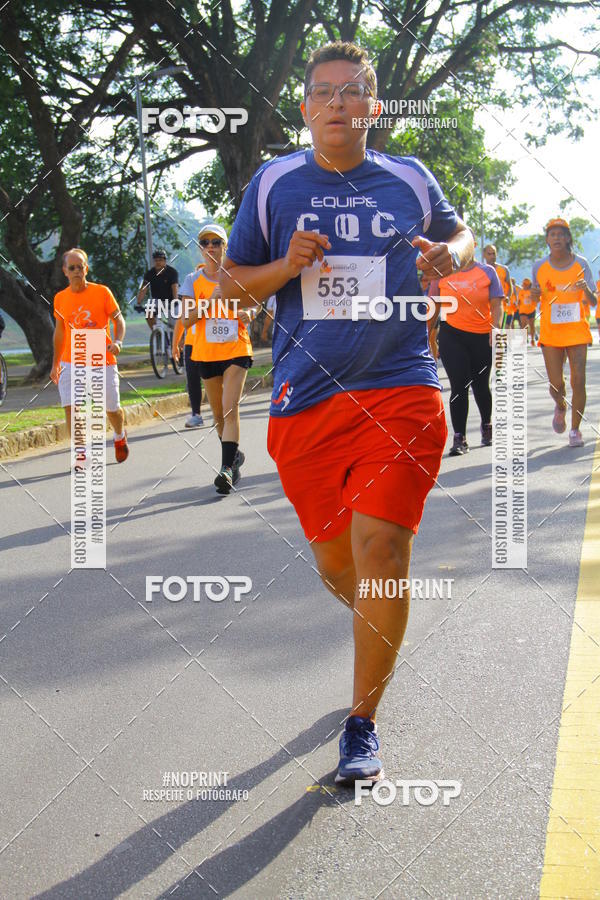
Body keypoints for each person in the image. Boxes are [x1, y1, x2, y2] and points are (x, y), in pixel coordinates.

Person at [219, 41, 473, 784]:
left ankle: (362, 722)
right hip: (308, 401)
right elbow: (232, 291)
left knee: (383, 554)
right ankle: (378, 627)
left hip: (403, 387)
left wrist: (449, 254)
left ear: (374, 106)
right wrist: (286, 266)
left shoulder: (409, 179)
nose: (338, 103)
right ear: (304, 109)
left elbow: (462, 234)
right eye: (324, 92)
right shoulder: (272, 185)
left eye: (353, 91)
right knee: (340, 567)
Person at [183, 224, 251, 493]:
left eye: (216, 242)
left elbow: (253, 302)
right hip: (206, 353)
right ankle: (233, 458)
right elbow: (187, 320)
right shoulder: (193, 281)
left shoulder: (236, 276)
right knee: (218, 416)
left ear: (225, 247)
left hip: (236, 349)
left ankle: (225, 470)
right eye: (205, 243)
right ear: (200, 249)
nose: (210, 247)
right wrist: (209, 301)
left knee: (229, 407)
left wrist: (251, 314)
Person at [50, 248, 129, 462]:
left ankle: (119, 435)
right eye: (72, 267)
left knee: (111, 409)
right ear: (65, 271)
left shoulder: (102, 292)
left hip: (101, 359)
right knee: (72, 408)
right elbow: (60, 332)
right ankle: (80, 453)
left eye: (81, 267)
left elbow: (118, 320)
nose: (77, 271)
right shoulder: (60, 299)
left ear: (87, 268)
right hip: (70, 361)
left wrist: (118, 341)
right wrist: (55, 363)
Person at [531, 218, 597, 447]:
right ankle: (560, 406)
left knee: (579, 380)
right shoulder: (539, 266)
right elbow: (535, 298)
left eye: (561, 234)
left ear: (568, 238)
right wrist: (533, 295)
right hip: (551, 333)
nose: (557, 237)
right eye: (552, 234)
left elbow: (594, 301)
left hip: (577, 331)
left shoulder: (581, 264)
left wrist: (586, 289)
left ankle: (575, 431)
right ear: (547, 240)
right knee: (556, 384)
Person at [431, 260, 503, 455]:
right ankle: (459, 437)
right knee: (459, 384)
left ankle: (486, 423)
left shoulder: (487, 272)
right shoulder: (440, 271)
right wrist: (426, 334)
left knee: (480, 385)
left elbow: (497, 305)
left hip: (481, 337)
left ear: (472, 245)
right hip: (451, 335)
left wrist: (495, 329)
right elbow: (432, 306)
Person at [174, 257, 210, 429]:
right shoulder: (191, 290)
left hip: (212, 342)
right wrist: (175, 344)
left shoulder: (216, 287)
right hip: (192, 343)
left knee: (214, 378)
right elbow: (181, 320)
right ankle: (196, 413)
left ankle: (223, 412)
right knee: (193, 379)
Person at [135, 249, 179, 331]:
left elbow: (174, 287)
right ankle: (156, 333)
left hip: (171, 300)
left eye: (160, 260)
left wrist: (175, 300)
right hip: (157, 301)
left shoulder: (172, 272)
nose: (158, 262)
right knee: (148, 313)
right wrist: (138, 303)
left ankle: (177, 340)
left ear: (165, 261)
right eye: (156, 260)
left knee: (175, 327)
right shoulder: (150, 274)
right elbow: (143, 288)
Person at [482, 244, 512, 326]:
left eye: (494, 253)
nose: (492, 256)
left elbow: (510, 286)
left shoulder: (504, 269)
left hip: (500, 307)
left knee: (498, 332)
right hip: (486, 309)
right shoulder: (480, 270)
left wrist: (508, 296)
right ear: (484, 255)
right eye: (489, 254)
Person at [517, 277, 537, 346]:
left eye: (526, 284)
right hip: (523, 310)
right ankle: (524, 340)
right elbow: (519, 301)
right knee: (523, 324)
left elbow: (536, 300)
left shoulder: (532, 291)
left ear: (529, 285)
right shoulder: (521, 291)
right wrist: (518, 305)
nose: (524, 285)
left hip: (531, 310)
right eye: (524, 284)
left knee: (531, 325)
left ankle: (532, 339)